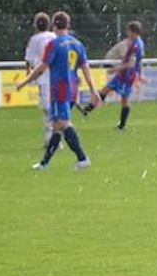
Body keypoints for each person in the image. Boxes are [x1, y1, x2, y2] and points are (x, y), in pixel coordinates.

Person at [16, 11, 101, 170]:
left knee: (63, 123)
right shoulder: (77, 44)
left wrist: (24, 82)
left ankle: (82, 159)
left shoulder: (54, 44)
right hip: (73, 88)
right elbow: (86, 69)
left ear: (54, 25)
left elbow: (42, 67)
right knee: (56, 126)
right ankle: (44, 163)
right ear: (67, 25)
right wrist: (93, 90)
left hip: (60, 89)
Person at [78, 21, 145, 131]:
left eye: (128, 31)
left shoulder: (136, 45)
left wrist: (115, 69)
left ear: (133, 32)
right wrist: (140, 74)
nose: (127, 33)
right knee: (107, 90)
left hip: (126, 76)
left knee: (123, 98)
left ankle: (121, 125)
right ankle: (87, 110)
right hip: (125, 74)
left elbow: (131, 64)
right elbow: (139, 61)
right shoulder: (139, 43)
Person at [24, 12, 57, 143]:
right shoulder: (54, 36)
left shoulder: (34, 39)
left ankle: (52, 137)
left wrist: (28, 72)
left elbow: (28, 59)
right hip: (56, 76)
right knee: (52, 106)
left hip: (43, 77)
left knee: (47, 108)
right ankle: (53, 135)